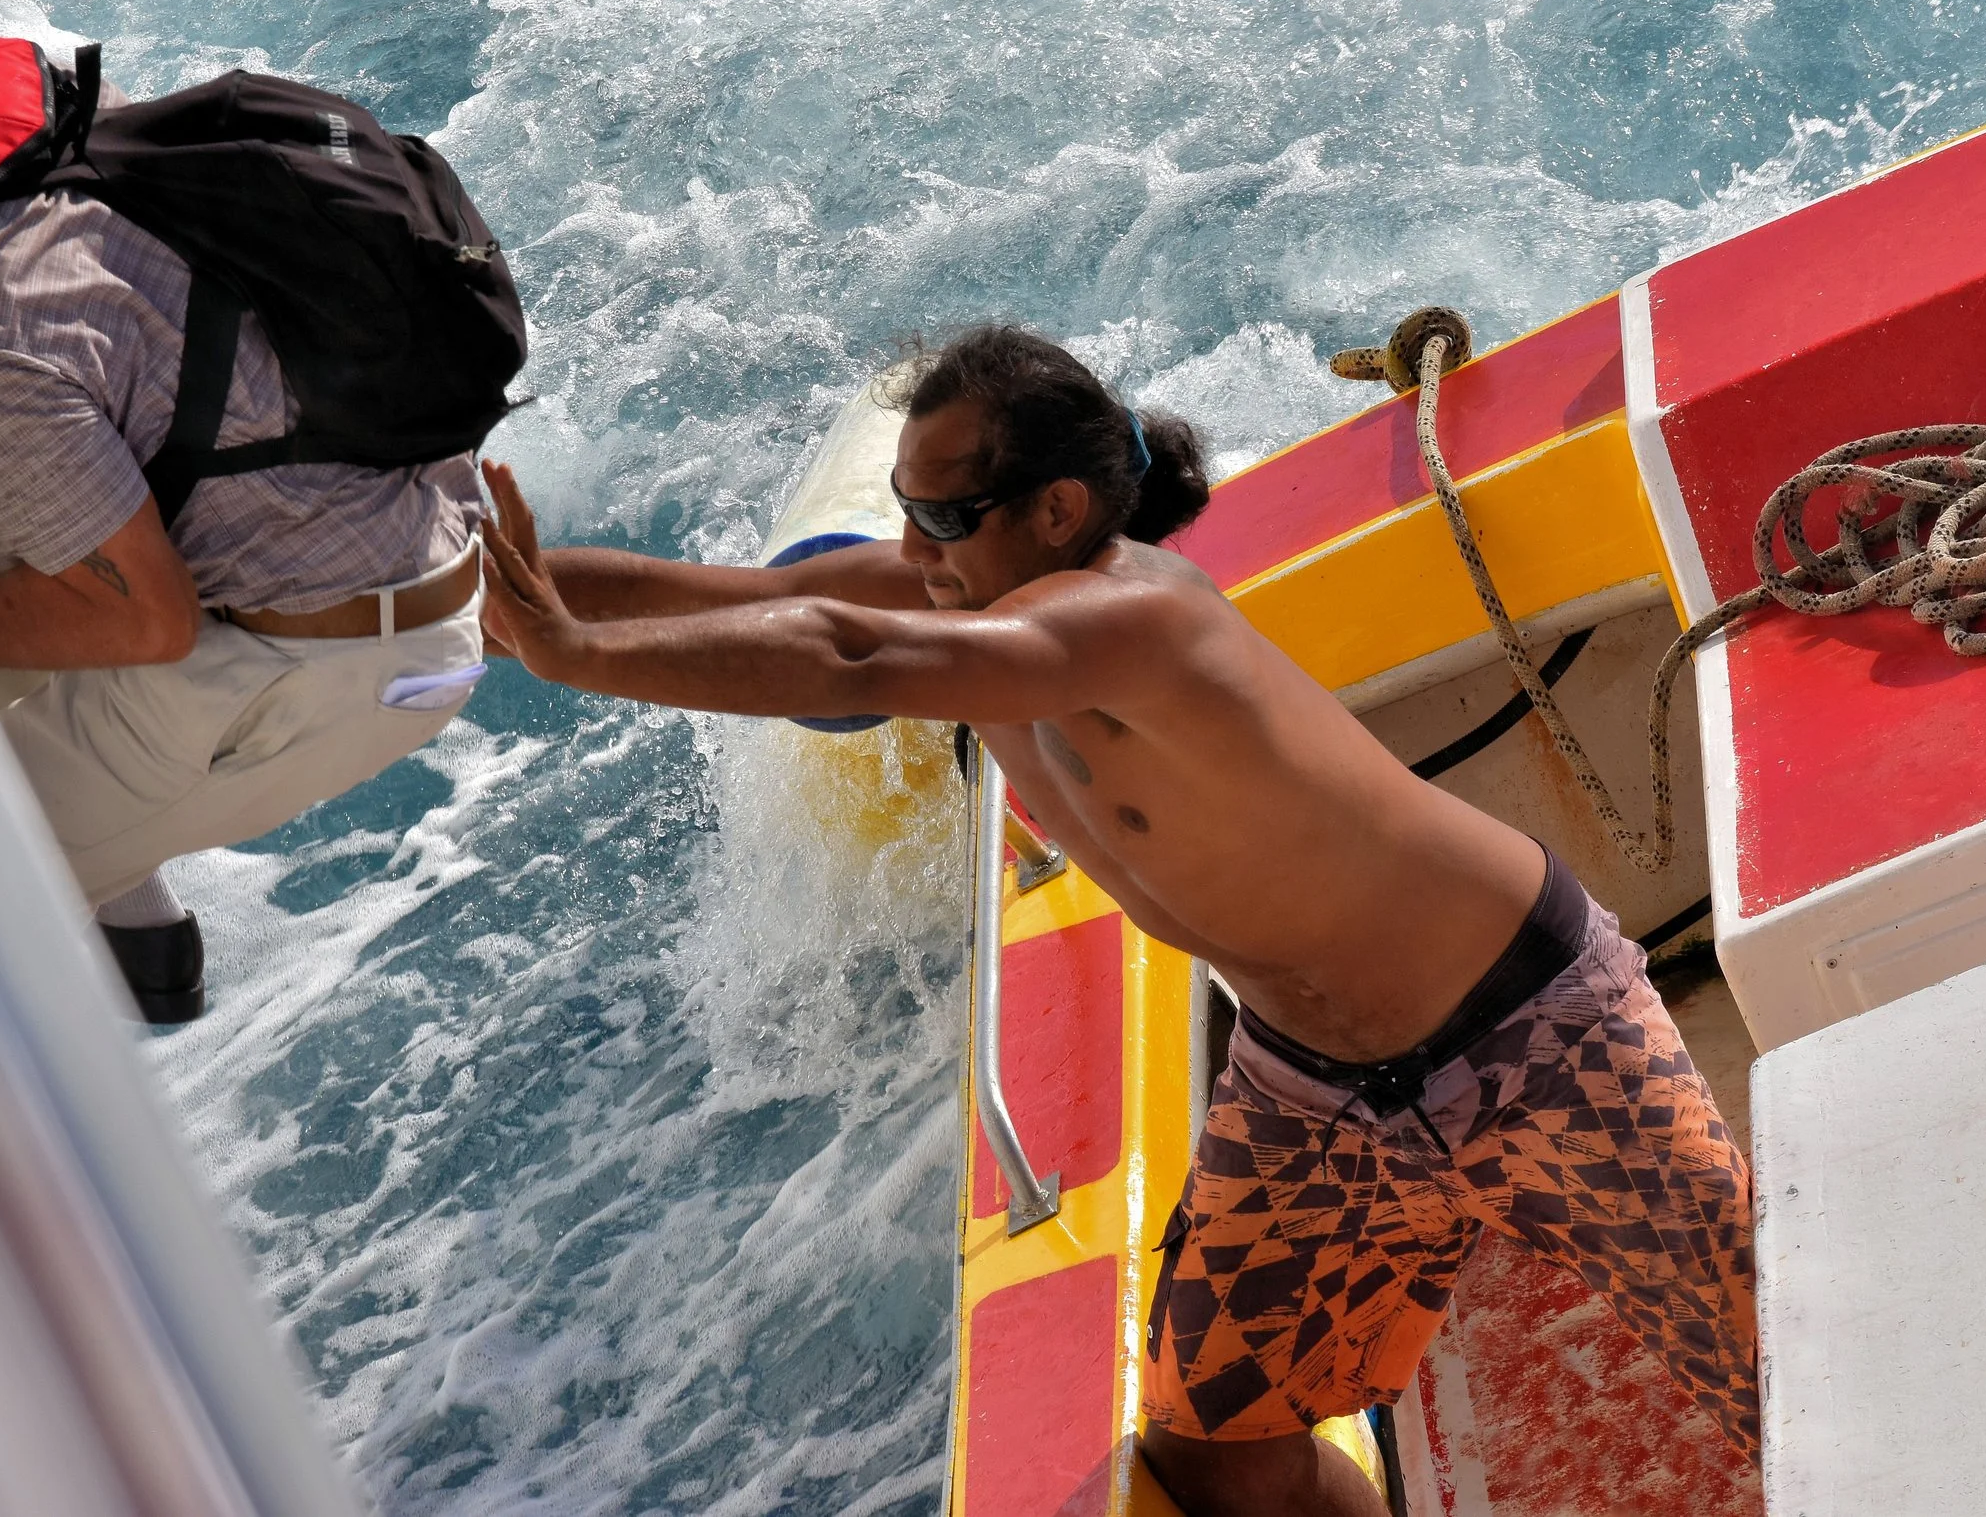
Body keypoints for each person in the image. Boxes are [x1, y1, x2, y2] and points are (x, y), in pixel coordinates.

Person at [477, 325, 1757, 1515]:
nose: (914, 545)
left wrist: (571, 658)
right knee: (1220, 1445)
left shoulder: (1132, 617)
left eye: (942, 514)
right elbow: (699, 594)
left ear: (1059, 510)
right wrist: (475, 594)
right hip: (1317, 1087)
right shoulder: (964, 591)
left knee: (1768, 1365)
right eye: (905, 511)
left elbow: (846, 659)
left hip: (1528, 1029)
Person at [0, 0, 491, 1022]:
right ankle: (138, 930)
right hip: (404, 544)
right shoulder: (47, 132)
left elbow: (146, 619)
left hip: (316, 671)